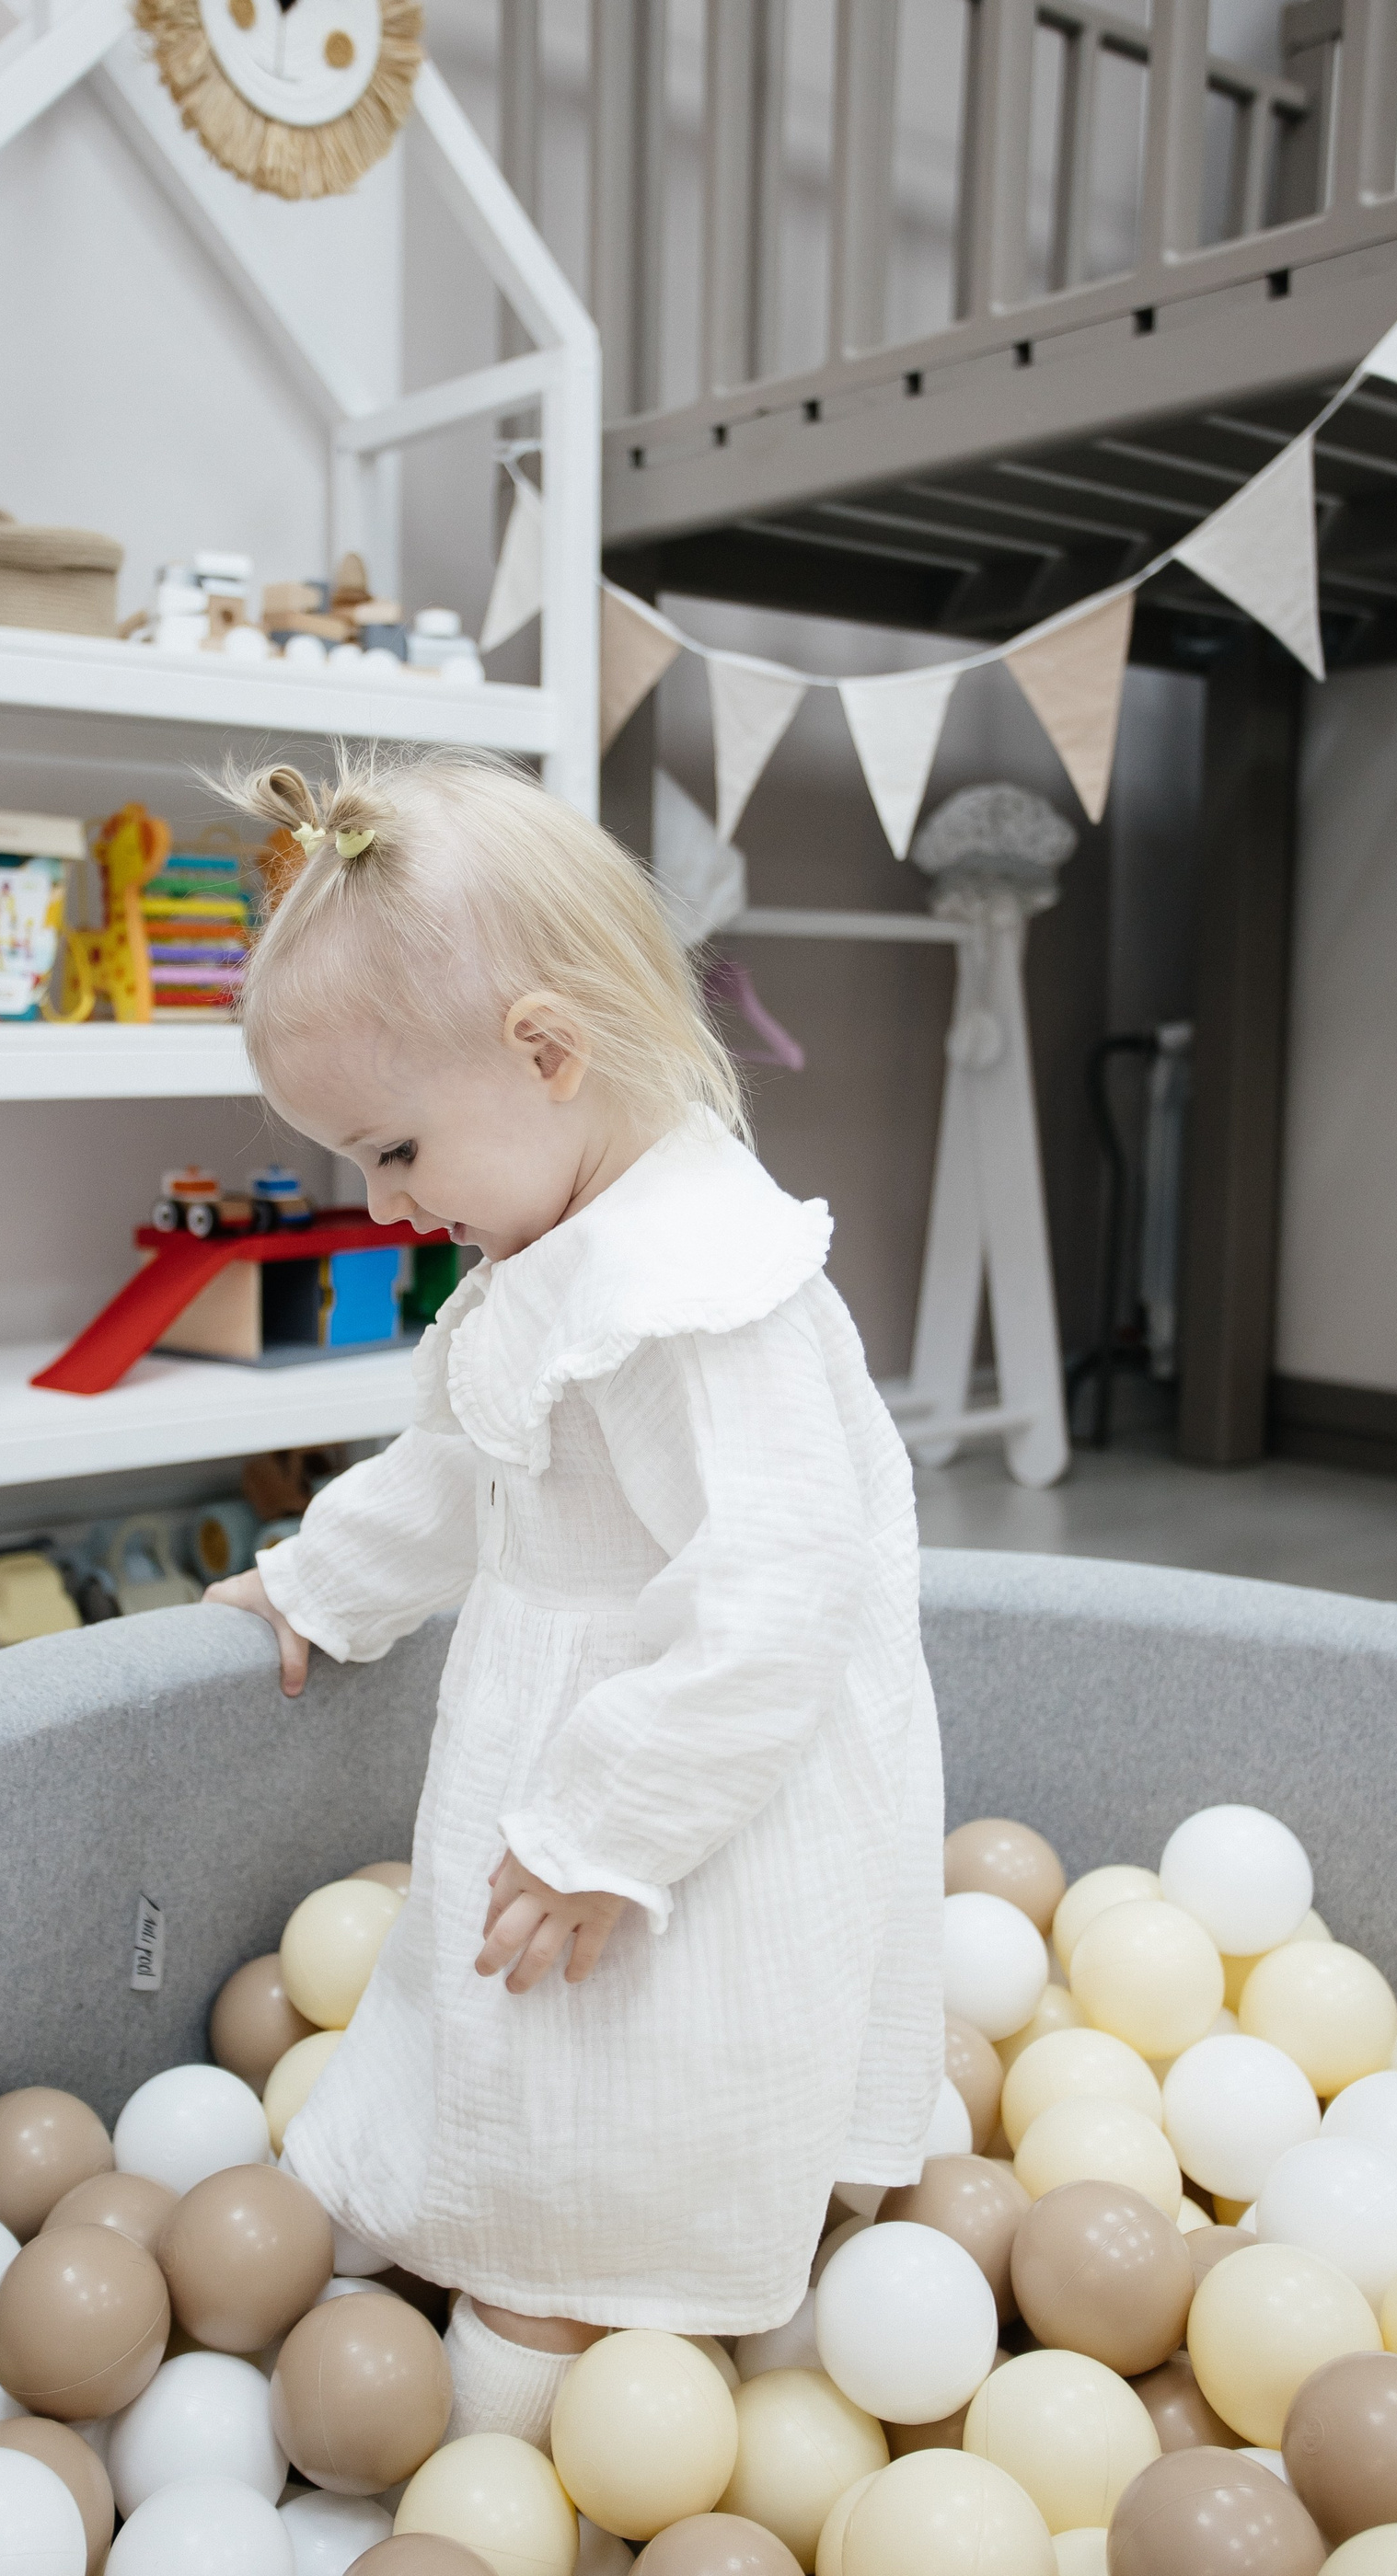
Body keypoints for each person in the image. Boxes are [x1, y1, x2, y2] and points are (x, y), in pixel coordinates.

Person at [205, 744, 942, 2444]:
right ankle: (510, 2301)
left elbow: (782, 1598)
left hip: (693, 1812)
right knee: (524, 2069)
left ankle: (535, 2426)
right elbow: (469, 1461)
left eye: (395, 1149)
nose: (385, 1205)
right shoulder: (556, 1242)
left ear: (547, 1054)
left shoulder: (699, 1297)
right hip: (580, 1795)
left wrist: (608, 1832)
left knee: (620, 2113)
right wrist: (321, 1585)